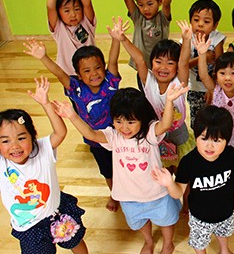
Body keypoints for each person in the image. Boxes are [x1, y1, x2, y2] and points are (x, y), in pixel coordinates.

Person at [54, 85, 188, 254]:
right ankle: (148, 241)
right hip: (128, 196)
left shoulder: (150, 133)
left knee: (166, 221)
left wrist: (169, 101)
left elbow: (166, 124)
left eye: (131, 122)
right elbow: (91, 134)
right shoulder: (113, 136)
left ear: (142, 119)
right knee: (139, 222)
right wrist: (73, 116)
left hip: (156, 193)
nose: (124, 127)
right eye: (119, 121)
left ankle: (168, 244)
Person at [23, 25, 121, 212]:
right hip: (96, 142)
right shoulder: (75, 88)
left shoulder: (110, 81)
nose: (94, 74)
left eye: (98, 68)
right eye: (87, 71)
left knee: (124, 166)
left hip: (118, 137)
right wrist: (43, 57)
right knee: (107, 171)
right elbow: (59, 73)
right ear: (78, 75)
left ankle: (127, 191)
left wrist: (116, 39)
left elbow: (114, 60)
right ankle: (114, 193)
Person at [151, 105, 234, 254]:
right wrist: (170, 184)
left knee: (223, 233)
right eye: (203, 138)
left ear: (227, 140)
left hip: (226, 212)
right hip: (199, 217)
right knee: (199, 243)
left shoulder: (232, 155)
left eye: (217, 140)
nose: (209, 146)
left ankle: (224, 250)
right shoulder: (188, 162)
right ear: (196, 136)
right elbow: (178, 193)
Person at [0, 77, 87, 253]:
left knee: (75, 242)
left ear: (33, 136)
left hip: (58, 213)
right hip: (29, 228)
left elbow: (60, 132)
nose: (15, 146)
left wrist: (46, 104)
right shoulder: (2, 161)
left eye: (21, 138)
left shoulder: (42, 149)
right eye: (5, 141)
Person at [108, 16, 194, 172]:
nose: (163, 67)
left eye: (170, 63)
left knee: (182, 167)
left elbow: (183, 62)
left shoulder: (179, 81)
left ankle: (182, 190)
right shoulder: (148, 80)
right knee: (162, 167)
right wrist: (122, 39)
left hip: (177, 130)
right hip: (154, 129)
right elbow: (139, 59)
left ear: (176, 67)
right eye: (158, 61)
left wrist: (186, 40)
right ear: (152, 62)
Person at [195, 33, 234, 212]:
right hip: (221, 145)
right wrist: (201, 54)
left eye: (233, 73)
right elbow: (202, 74)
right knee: (224, 174)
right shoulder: (214, 91)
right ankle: (227, 194)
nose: (228, 78)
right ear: (216, 75)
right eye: (222, 73)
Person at [186, 0, 225, 129]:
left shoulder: (217, 38)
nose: (200, 24)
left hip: (212, 87)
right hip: (194, 87)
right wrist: (203, 57)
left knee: (213, 121)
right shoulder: (187, 38)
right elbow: (183, 65)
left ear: (215, 25)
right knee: (196, 122)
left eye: (206, 21)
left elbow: (220, 66)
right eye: (196, 20)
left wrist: (212, 88)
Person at [118, 0, 172, 70]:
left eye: (150, 4)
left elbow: (166, 3)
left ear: (160, 1)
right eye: (141, 5)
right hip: (141, 66)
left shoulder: (162, 18)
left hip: (160, 66)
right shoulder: (137, 17)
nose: (146, 9)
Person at [47, 0, 96, 76]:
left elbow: (87, 3)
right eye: (66, 10)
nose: (73, 14)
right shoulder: (58, 27)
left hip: (90, 73)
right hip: (68, 76)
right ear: (58, 12)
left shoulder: (87, 22)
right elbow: (50, 7)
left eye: (77, 9)